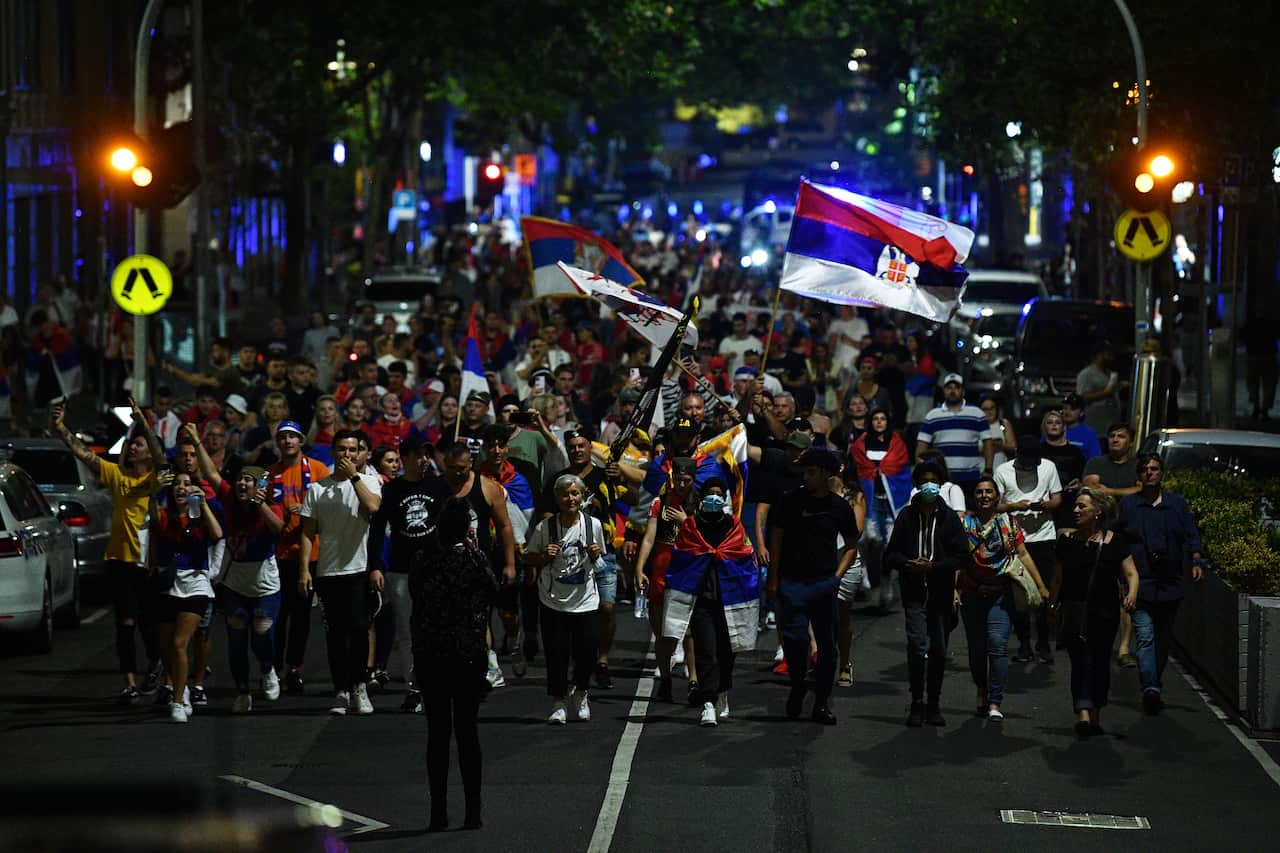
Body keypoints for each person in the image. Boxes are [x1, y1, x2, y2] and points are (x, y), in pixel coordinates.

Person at [52, 397, 164, 704]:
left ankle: (156, 663)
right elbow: (84, 454)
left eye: (139, 446)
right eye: (133, 445)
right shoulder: (117, 475)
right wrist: (61, 427)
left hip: (145, 562)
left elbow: (161, 459)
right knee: (124, 624)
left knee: (148, 623)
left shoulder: (154, 478)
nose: (134, 449)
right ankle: (129, 683)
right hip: (118, 560)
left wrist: (143, 424)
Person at [411, 497, 497, 831]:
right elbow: (494, 591)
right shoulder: (473, 560)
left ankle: (438, 812)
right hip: (468, 655)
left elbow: (418, 601)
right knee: (467, 732)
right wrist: (474, 551)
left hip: (432, 654)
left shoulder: (423, 559)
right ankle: (473, 811)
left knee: (437, 734)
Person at [769, 448, 860, 725]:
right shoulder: (790, 501)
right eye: (804, 472)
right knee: (795, 642)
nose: (805, 477)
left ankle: (821, 703)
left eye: (810, 472)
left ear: (824, 474)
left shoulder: (840, 507)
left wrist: (836, 578)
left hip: (824, 584)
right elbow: (777, 539)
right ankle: (798, 687)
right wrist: (773, 580)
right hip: (792, 583)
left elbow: (852, 546)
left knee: (828, 648)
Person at [298, 429, 385, 716]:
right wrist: (304, 570)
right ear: (333, 452)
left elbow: (373, 506)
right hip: (328, 570)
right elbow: (308, 533)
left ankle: (359, 685)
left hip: (359, 568)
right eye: (342, 450)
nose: (347, 455)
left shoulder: (369, 481)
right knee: (336, 634)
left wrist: (354, 477)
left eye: (353, 450)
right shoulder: (317, 489)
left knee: (360, 628)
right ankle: (341, 690)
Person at [661, 477, 759, 727]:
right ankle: (707, 702)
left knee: (727, 652)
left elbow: (745, 555)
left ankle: (722, 691)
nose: (714, 497)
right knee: (707, 651)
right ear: (702, 499)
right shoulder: (691, 526)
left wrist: (721, 559)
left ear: (725, 498)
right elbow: (681, 558)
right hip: (702, 598)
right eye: (710, 493)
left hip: (729, 599)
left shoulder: (734, 525)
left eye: (719, 493)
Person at [541, 429, 632, 690]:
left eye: (582, 445)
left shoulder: (607, 476)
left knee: (606, 608)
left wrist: (623, 474)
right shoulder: (559, 480)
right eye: (572, 447)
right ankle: (580, 664)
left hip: (603, 553)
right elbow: (546, 511)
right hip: (568, 558)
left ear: (590, 448)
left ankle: (601, 661)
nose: (577, 450)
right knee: (574, 616)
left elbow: (636, 498)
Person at [369, 435, 452, 713]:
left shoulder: (440, 486)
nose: (423, 460)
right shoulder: (392, 490)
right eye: (417, 455)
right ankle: (414, 689)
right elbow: (378, 530)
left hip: (437, 569)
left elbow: (453, 522)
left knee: (439, 629)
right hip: (401, 570)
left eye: (425, 454)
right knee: (407, 632)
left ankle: (439, 685)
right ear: (403, 458)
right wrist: (375, 566)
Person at [883, 461, 968, 727]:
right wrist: (910, 564)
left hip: (941, 594)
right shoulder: (906, 516)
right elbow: (890, 555)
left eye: (934, 481)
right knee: (918, 645)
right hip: (914, 593)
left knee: (939, 650)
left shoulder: (949, 517)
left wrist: (934, 567)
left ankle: (934, 702)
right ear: (917, 485)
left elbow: (962, 556)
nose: (929, 486)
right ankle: (916, 701)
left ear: (940, 485)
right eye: (924, 481)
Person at [1118, 453, 1205, 715]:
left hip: (1170, 582)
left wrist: (1196, 561)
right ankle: (1151, 687)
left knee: (1164, 639)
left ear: (1162, 473)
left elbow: (1191, 534)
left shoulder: (1176, 504)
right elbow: (1120, 539)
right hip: (1141, 581)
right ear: (1139, 474)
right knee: (1145, 636)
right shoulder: (1130, 504)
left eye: (1154, 469)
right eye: (1144, 469)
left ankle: (1154, 679)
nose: (1149, 473)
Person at [1049, 488, 1139, 737]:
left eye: (1082, 507)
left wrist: (1131, 593)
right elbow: (1057, 579)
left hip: (1105, 612)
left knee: (1100, 662)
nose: (1075, 511)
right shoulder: (1066, 542)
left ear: (1097, 512)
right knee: (1079, 663)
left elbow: (1131, 572)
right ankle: (1083, 712)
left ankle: (1095, 712)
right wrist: (1052, 605)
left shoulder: (1115, 542)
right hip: (1075, 611)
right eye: (1075, 506)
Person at [959, 475, 1050, 721]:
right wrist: (953, 591)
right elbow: (957, 560)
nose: (984, 496)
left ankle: (995, 701)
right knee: (977, 651)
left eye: (989, 491)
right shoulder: (965, 525)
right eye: (979, 492)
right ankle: (981, 689)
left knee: (998, 645)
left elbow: (1024, 554)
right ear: (974, 497)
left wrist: (1041, 586)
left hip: (1001, 595)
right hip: (972, 595)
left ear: (997, 496)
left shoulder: (1008, 523)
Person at [525, 474, 606, 724]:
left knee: (587, 652)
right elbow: (528, 557)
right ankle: (558, 703)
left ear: (582, 496)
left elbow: (601, 562)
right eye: (564, 494)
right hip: (553, 600)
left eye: (575, 494)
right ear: (557, 498)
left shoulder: (593, 525)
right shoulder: (545, 528)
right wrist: (544, 557)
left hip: (586, 600)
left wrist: (595, 554)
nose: (570, 499)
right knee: (556, 653)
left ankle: (581, 693)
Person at [150, 471, 223, 723]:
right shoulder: (163, 515)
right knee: (167, 647)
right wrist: (153, 492)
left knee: (180, 642)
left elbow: (217, 534)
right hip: (168, 582)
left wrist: (202, 504)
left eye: (187, 484)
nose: (182, 488)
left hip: (196, 583)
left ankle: (178, 701)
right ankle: (182, 687)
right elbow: (153, 523)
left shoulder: (201, 517)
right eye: (178, 484)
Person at [265, 420, 331, 694]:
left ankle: (294, 667)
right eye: (283, 437)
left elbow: (329, 506)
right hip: (281, 554)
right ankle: (273, 667)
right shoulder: (269, 473)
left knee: (302, 616)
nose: (288, 441)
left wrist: (305, 509)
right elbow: (263, 509)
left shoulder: (317, 469)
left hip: (313, 552)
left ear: (302, 441)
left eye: (293, 436)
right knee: (278, 616)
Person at [994, 435, 1063, 665]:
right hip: (1014, 537)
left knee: (1042, 591)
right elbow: (995, 505)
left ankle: (1043, 643)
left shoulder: (1048, 467)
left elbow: (1057, 498)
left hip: (1043, 535)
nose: (1030, 466)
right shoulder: (1003, 471)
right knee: (1019, 593)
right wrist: (1014, 506)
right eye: (1026, 462)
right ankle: (1024, 643)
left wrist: (1045, 505)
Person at [635, 457, 699, 702]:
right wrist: (641, 568)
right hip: (662, 569)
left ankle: (693, 679)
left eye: (687, 480)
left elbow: (705, 540)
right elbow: (649, 538)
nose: (682, 485)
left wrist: (686, 522)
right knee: (662, 632)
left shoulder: (700, 504)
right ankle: (666, 678)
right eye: (678, 480)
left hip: (687, 570)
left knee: (690, 630)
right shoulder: (659, 503)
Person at [1082, 422, 1142, 667]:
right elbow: (1091, 487)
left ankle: (1125, 647)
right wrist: (1124, 492)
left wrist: (1111, 491)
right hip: (1097, 532)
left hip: (1126, 532)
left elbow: (1140, 490)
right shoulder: (1097, 463)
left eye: (1121, 436)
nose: (1115, 440)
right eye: (1112, 435)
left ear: (1130, 440)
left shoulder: (1138, 465)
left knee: (1124, 589)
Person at [849, 408, 914, 611]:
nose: (879, 422)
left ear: (888, 421)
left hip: (891, 502)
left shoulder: (897, 444)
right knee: (870, 539)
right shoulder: (860, 445)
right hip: (870, 501)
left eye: (883, 418)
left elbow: (902, 472)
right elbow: (857, 471)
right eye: (875, 418)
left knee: (890, 546)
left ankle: (886, 587)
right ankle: (868, 580)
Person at [915, 373, 996, 504]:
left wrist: (988, 469)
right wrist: (922, 473)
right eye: (949, 388)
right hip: (941, 479)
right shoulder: (932, 416)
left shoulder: (977, 414)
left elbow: (988, 443)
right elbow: (921, 447)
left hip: (971, 478)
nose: (953, 391)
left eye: (956, 387)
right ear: (944, 391)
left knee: (970, 518)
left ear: (962, 390)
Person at [1076, 344, 1128, 437]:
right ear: (1099, 355)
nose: (1112, 357)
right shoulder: (1087, 374)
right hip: (1094, 427)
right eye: (1108, 354)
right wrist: (1107, 393)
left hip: (1109, 427)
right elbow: (1083, 397)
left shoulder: (1108, 373)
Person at [979, 395, 1017, 470]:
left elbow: (1013, 447)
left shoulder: (1003, 423)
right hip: (981, 471)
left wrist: (1000, 445)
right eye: (985, 409)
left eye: (992, 408)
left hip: (1001, 471)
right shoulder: (976, 425)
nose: (989, 412)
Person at [1061, 393, 1102, 460]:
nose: (1067, 411)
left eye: (1072, 409)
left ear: (1081, 413)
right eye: (1065, 408)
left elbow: (1095, 461)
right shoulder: (1054, 429)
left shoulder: (1089, 434)